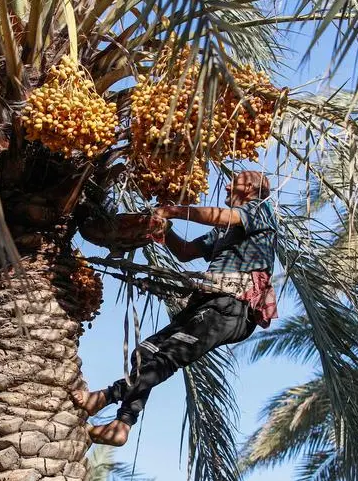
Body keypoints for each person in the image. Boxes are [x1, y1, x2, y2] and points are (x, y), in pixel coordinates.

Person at [71, 170, 279, 446]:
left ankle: (105, 397)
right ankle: (121, 424)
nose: (227, 185)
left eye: (236, 180)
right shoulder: (223, 230)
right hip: (208, 303)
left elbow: (225, 215)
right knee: (145, 352)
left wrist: (173, 210)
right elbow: (185, 252)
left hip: (232, 308)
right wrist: (164, 230)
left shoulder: (261, 210)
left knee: (167, 358)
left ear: (251, 188)